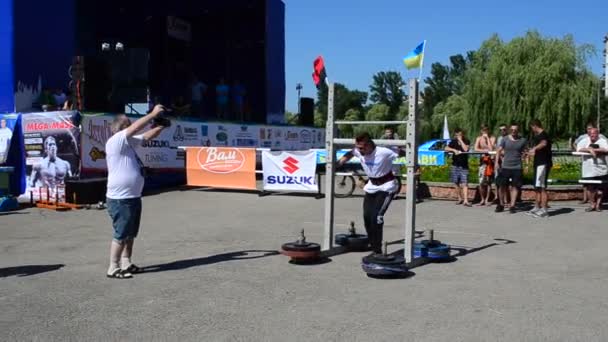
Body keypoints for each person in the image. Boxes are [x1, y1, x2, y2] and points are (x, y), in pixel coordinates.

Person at [104, 105, 170, 279]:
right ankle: (113, 267)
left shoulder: (128, 142)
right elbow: (137, 128)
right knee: (121, 233)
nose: (131, 124)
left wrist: (162, 126)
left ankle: (126, 262)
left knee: (131, 233)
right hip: (120, 199)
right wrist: (153, 114)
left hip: (132, 196)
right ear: (121, 127)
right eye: (128, 123)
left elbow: (147, 135)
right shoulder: (116, 139)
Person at [337, 132, 405, 256]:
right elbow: (350, 153)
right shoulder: (359, 151)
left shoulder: (384, 152)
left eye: (362, 148)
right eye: (358, 147)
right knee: (367, 218)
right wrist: (340, 162)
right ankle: (372, 244)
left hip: (387, 187)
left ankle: (377, 250)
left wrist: (415, 166)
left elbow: (406, 154)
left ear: (369, 145)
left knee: (377, 217)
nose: (359, 151)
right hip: (371, 187)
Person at [494, 123, 527, 213]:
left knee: (515, 186)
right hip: (506, 166)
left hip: (517, 166)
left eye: (515, 130)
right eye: (512, 130)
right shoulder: (505, 139)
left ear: (518, 130)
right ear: (509, 130)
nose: (513, 131)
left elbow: (525, 152)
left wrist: (526, 163)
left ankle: (512, 205)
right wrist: (497, 163)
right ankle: (501, 204)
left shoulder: (522, 140)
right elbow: (498, 151)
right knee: (501, 186)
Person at [576, 128, 608, 212]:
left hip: (601, 169)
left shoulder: (602, 141)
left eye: (594, 134)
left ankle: (598, 205)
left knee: (600, 190)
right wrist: (589, 149)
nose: (592, 135)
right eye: (591, 134)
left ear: (598, 134)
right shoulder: (584, 140)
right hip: (588, 170)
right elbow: (578, 149)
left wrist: (594, 150)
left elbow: (606, 149)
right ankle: (592, 204)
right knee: (589, 188)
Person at [526, 119, 552, 218]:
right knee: (537, 187)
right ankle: (537, 207)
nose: (532, 130)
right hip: (538, 163)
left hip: (543, 163)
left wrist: (534, 148)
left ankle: (544, 210)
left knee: (542, 187)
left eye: (532, 128)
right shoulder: (537, 136)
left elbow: (544, 143)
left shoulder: (543, 134)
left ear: (534, 126)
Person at [444, 128, 472, 206]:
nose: (458, 136)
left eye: (460, 135)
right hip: (455, 164)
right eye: (457, 135)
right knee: (455, 182)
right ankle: (460, 198)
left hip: (464, 165)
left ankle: (466, 200)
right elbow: (446, 148)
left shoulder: (466, 141)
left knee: (465, 182)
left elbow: (466, 149)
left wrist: (461, 141)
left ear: (462, 134)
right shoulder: (453, 142)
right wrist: (453, 150)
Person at [474, 125, 496, 206]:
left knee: (489, 182)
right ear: (481, 131)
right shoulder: (478, 138)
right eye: (483, 130)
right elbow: (475, 148)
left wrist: (487, 139)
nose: (485, 132)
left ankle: (487, 199)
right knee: (481, 182)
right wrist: (484, 150)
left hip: (490, 162)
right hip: (482, 162)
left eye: (486, 130)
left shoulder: (492, 138)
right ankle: (482, 199)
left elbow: (491, 149)